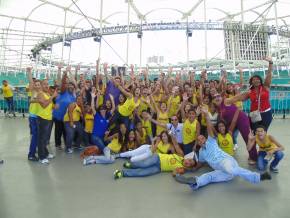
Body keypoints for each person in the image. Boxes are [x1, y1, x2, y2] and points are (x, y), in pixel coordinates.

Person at [174, 106, 271, 190]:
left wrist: (207, 115)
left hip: (226, 161)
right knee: (209, 176)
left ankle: (258, 177)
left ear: (205, 138)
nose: (201, 140)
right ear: (198, 143)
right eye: (199, 140)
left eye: (202, 138)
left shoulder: (211, 141)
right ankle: (195, 182)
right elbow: (199, 164)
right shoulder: (201, 153)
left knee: (230, 169)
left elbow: (209, 128)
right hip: (224, 173)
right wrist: (191, 169)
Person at [113, 136, 196, 179]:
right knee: (144, 164)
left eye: (189, 164)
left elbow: (174, 173)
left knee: (143, 173)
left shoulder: (182, 169)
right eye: (189, 160)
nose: (188, 162)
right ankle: (132, 165)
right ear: (187, 158)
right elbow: (176, 145)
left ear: (189, 166)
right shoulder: (181, 155)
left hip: (159, 168)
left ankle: (123, 173)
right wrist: (171, 135)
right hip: (158, 158)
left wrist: (177, 173)